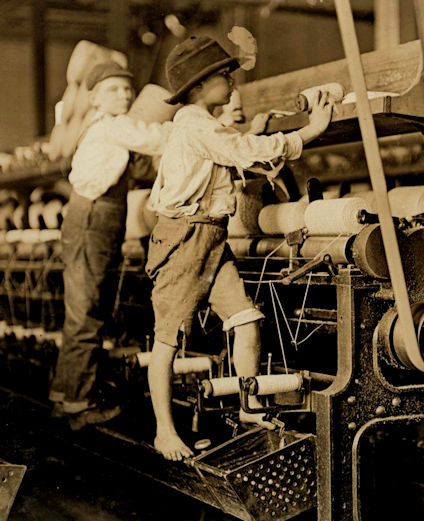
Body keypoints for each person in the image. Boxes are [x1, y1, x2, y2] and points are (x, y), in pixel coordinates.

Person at [146, 35, 333, 461]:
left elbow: (244, 150)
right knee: (168, 340)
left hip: (211, 236)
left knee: (246, 319)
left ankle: (249, 407)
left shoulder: (204, 124)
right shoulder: (195, 123)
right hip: (184, 238)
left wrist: (269, 137)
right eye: (223, 76)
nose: (232, 83)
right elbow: (245, 150)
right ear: (197, 86)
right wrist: (310, 131)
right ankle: (163, 431)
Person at [49, 61, 172, 430]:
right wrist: (197, 124)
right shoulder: (114, 126)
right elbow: (157, 138)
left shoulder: (105, 129)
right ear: (93, 98)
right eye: (113, 89)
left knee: (85, 310)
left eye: (126, 88)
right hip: (93, 220)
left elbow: (137, 170)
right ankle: (78, 407)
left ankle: (65, 395)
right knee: (86, 313)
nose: (124, 94)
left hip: (93, 219)